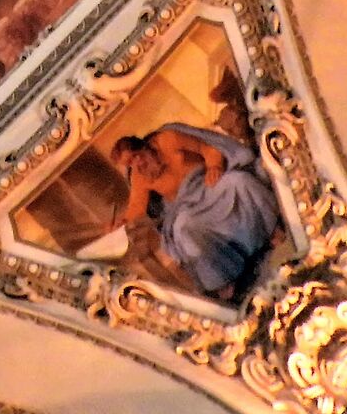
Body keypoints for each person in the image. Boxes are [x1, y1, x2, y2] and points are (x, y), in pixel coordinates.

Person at [108, 121, 283, 299]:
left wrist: (214, 166)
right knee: (184, 226)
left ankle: (270, 231)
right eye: (130, 164)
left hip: (207, 185)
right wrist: (122, 221)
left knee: (238, 181)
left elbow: (207, 148)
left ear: (143, 146)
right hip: (185, 207)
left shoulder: (168, 139)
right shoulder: (140, 175)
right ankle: (224, 278)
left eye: (136, 156)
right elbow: (137, 206)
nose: (137, 164)